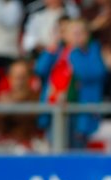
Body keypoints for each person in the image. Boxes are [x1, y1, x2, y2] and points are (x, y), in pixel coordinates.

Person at [35, 17, 106, 148]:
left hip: (79, 112)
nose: (76, 37)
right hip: (55, 110)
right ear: (64, 35)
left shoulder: (92, 51)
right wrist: (50, 50)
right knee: (54, 148)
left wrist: (75, 53)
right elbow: (40, 70)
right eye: (72, 33)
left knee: (76, 151)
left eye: (80, 33)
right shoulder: (57, 52)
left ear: (87, 35)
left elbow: (91, 73)